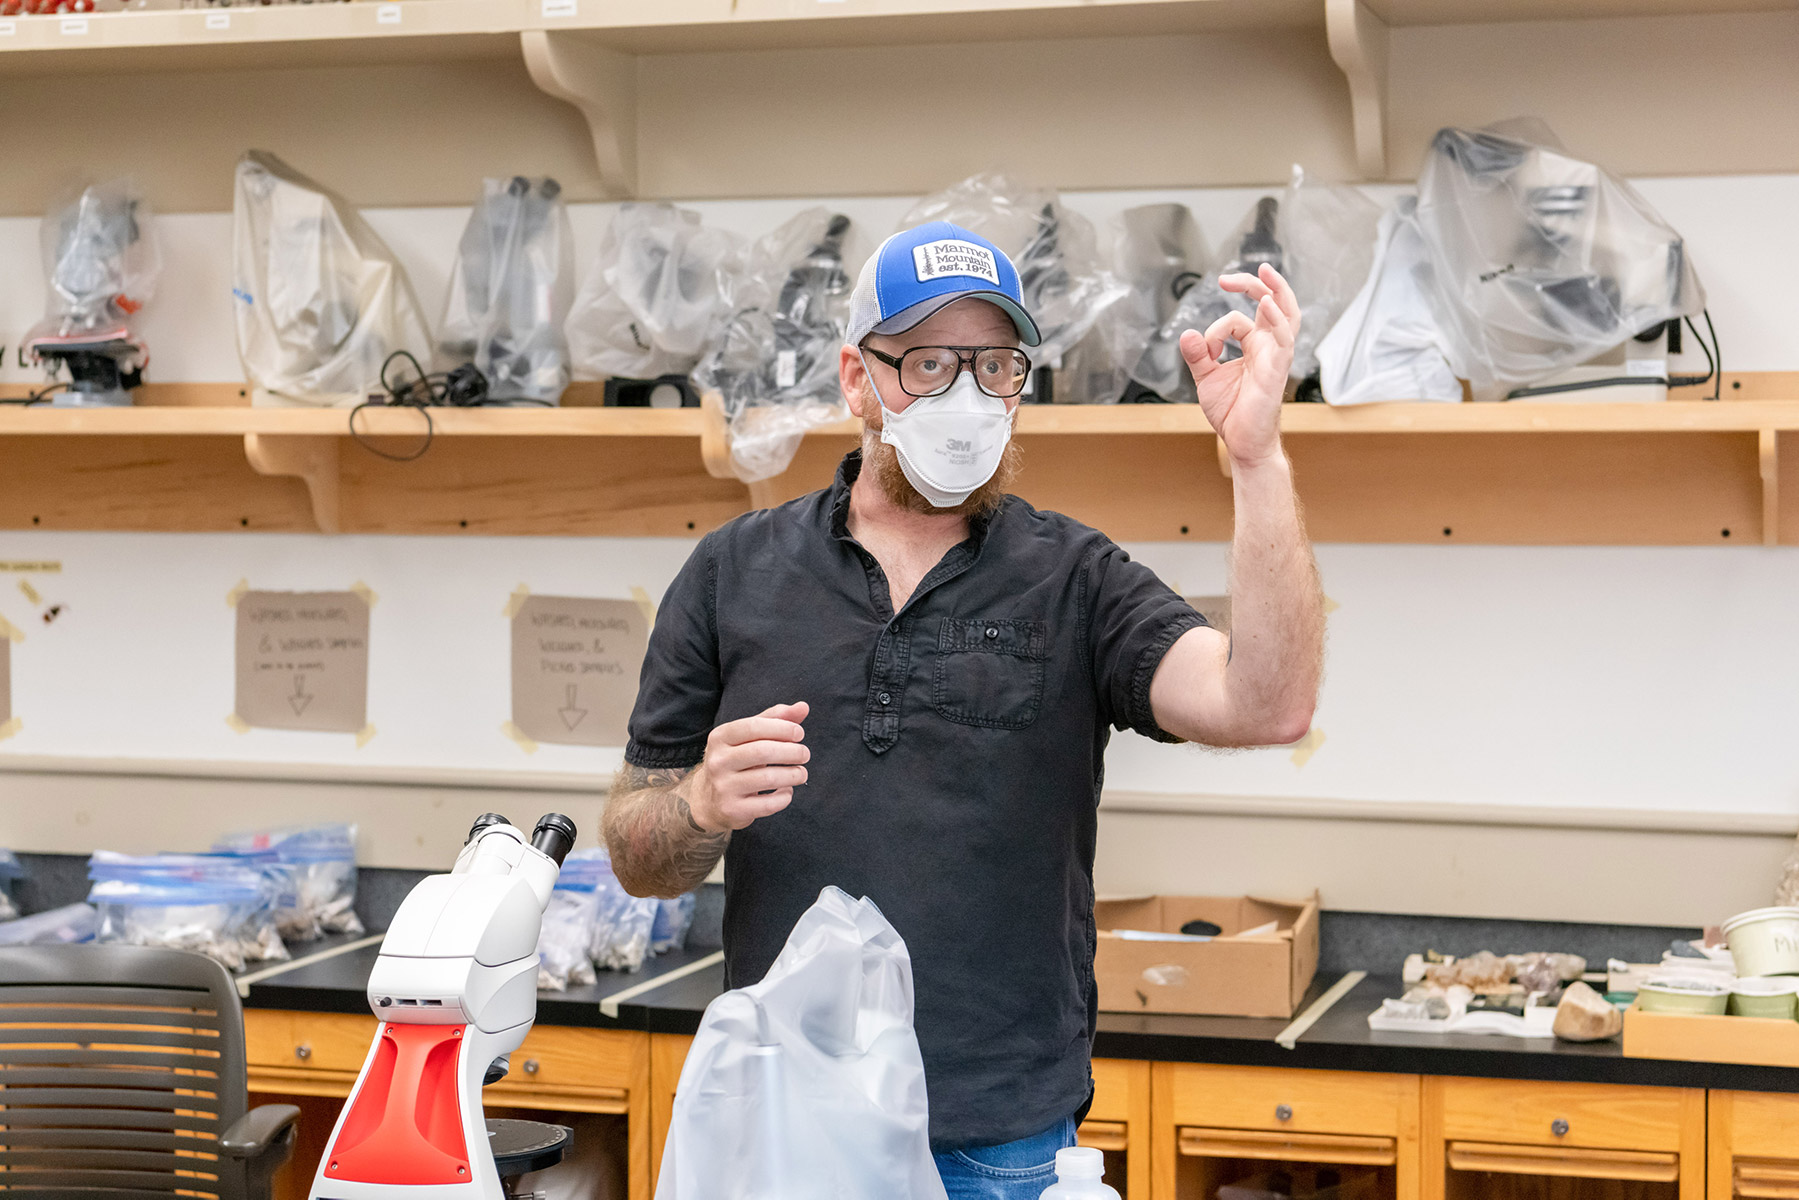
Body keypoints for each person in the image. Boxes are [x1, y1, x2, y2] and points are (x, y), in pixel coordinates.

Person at [604, 219, 1324, 1197]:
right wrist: (697, 806)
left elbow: (1264, 703)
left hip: (998, 1138)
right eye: (930, 363)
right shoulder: (733, 574)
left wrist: (1255, 462)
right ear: (858, 380)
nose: (965, 397)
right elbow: (636, 852)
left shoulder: (1074, 578)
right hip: (789, 1122)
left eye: (995, 366)